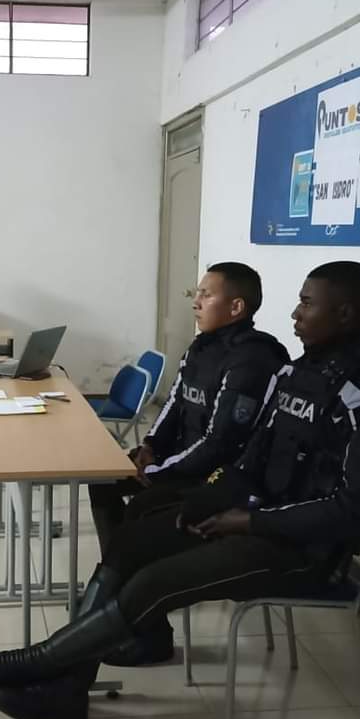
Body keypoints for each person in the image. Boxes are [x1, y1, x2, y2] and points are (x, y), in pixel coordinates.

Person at [0, 261, 360, 719]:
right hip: (255, 517)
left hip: (304, 550)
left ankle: (39, 665)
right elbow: (251, 460)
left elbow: (355, 508)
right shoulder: (303, 371)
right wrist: (208, 502)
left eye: (307, 303)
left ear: (344, 313)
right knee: (135, 542)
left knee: (154, 581)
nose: (294, 313)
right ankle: (68, 691)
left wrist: (247, 522)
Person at [89, 262, 289, 665]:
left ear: (236, 307)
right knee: (103, 480)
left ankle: (147, 628)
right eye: (196, 293)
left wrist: (158, 471)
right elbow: (174, 405)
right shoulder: (201, 347)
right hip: (180, 464)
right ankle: (118, 591)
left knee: (144, 508)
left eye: (205, 294)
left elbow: (219, 442)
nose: (195, 302)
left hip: (213, 478)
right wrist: (149, 447)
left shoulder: (252, 359)